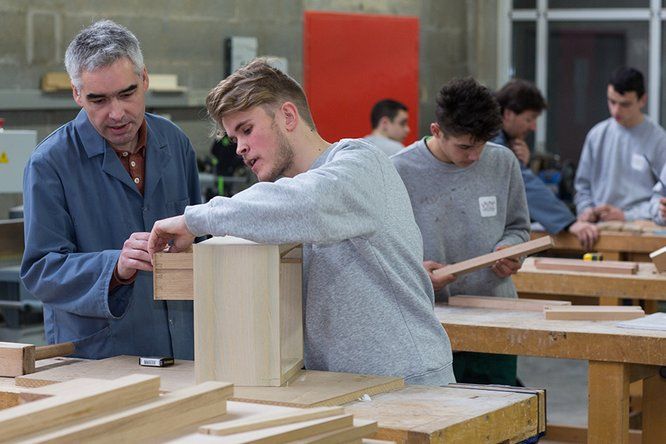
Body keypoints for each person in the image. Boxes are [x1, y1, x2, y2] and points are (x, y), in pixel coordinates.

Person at [147, 59, 455, 385]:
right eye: (234, 137)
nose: (239, 148)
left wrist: (196, 219)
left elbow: (309, 205)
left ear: (288, 117)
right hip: (341, 387)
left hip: (411, 384)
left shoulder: (360, 163)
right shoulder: (276, 204)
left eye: (247, 130)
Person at [20, 20, 201, 359]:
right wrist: (114, 266)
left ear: (144, 79)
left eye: (127, 94)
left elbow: (201, 234)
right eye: (98, 100)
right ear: (77, 94)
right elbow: (42, 270)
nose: (116, 113)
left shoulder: (175, 143)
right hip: (100, 353)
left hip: (181, 345)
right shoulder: (49, 164)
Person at [391, 77, 529, 386]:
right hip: (431, 320)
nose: (475, 156)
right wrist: (416, 272)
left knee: (500, 417)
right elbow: (384, 249)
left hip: (496, 314)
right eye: (465, 147)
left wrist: (512, 249)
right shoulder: (399, 171)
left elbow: (519, 228)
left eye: (481, 145)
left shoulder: (503, 162)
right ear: (436, 131)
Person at [493, 79, 598, 249]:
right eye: (529, 119)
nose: (533, 127)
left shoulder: (503, 140)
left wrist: (521, 163)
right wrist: (570, 223)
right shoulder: (492, 141)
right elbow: (522, 183)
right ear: (508, 114)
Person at [575, 67, 666, 223]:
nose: (616, 110)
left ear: (642, 100)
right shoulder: (597, 135)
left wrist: (627, 216)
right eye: (612, 102)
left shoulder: (658, 139)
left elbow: (662, 198)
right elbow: (582, 187)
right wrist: (587, 210)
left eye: (625, 104)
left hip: (641, 226)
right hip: (598, 227)